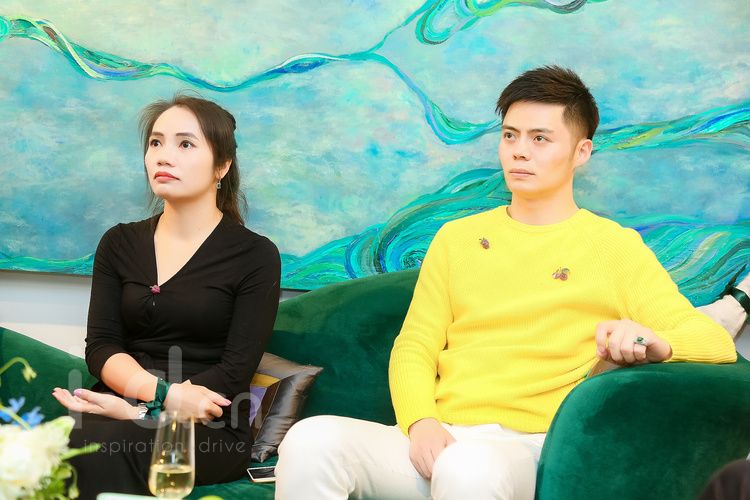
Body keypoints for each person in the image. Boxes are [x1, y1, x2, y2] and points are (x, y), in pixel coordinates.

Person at [274, 66, 743, 500]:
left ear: (581, 152)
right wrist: (420, 422)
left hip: (521, 448)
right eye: (510, 135)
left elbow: (713, 340)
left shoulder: (613, 247)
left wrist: (656, 343)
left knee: (468, 466)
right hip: (438, 436)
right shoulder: (456, 239)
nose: (520, 150)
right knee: (312, 439)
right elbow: (415, 344)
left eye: (541, 138)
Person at [52, 95, 281, 498]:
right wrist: (158, 397)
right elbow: (102, 346)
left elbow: (233, 372)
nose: (163, 155)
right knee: (48, 444)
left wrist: (146, 412)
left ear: (222, 166)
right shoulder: (119, 242)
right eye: (155, 142)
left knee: (104, 448)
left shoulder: (255, 255)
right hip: (117, 403)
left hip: (209, 424)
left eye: (185, 144)